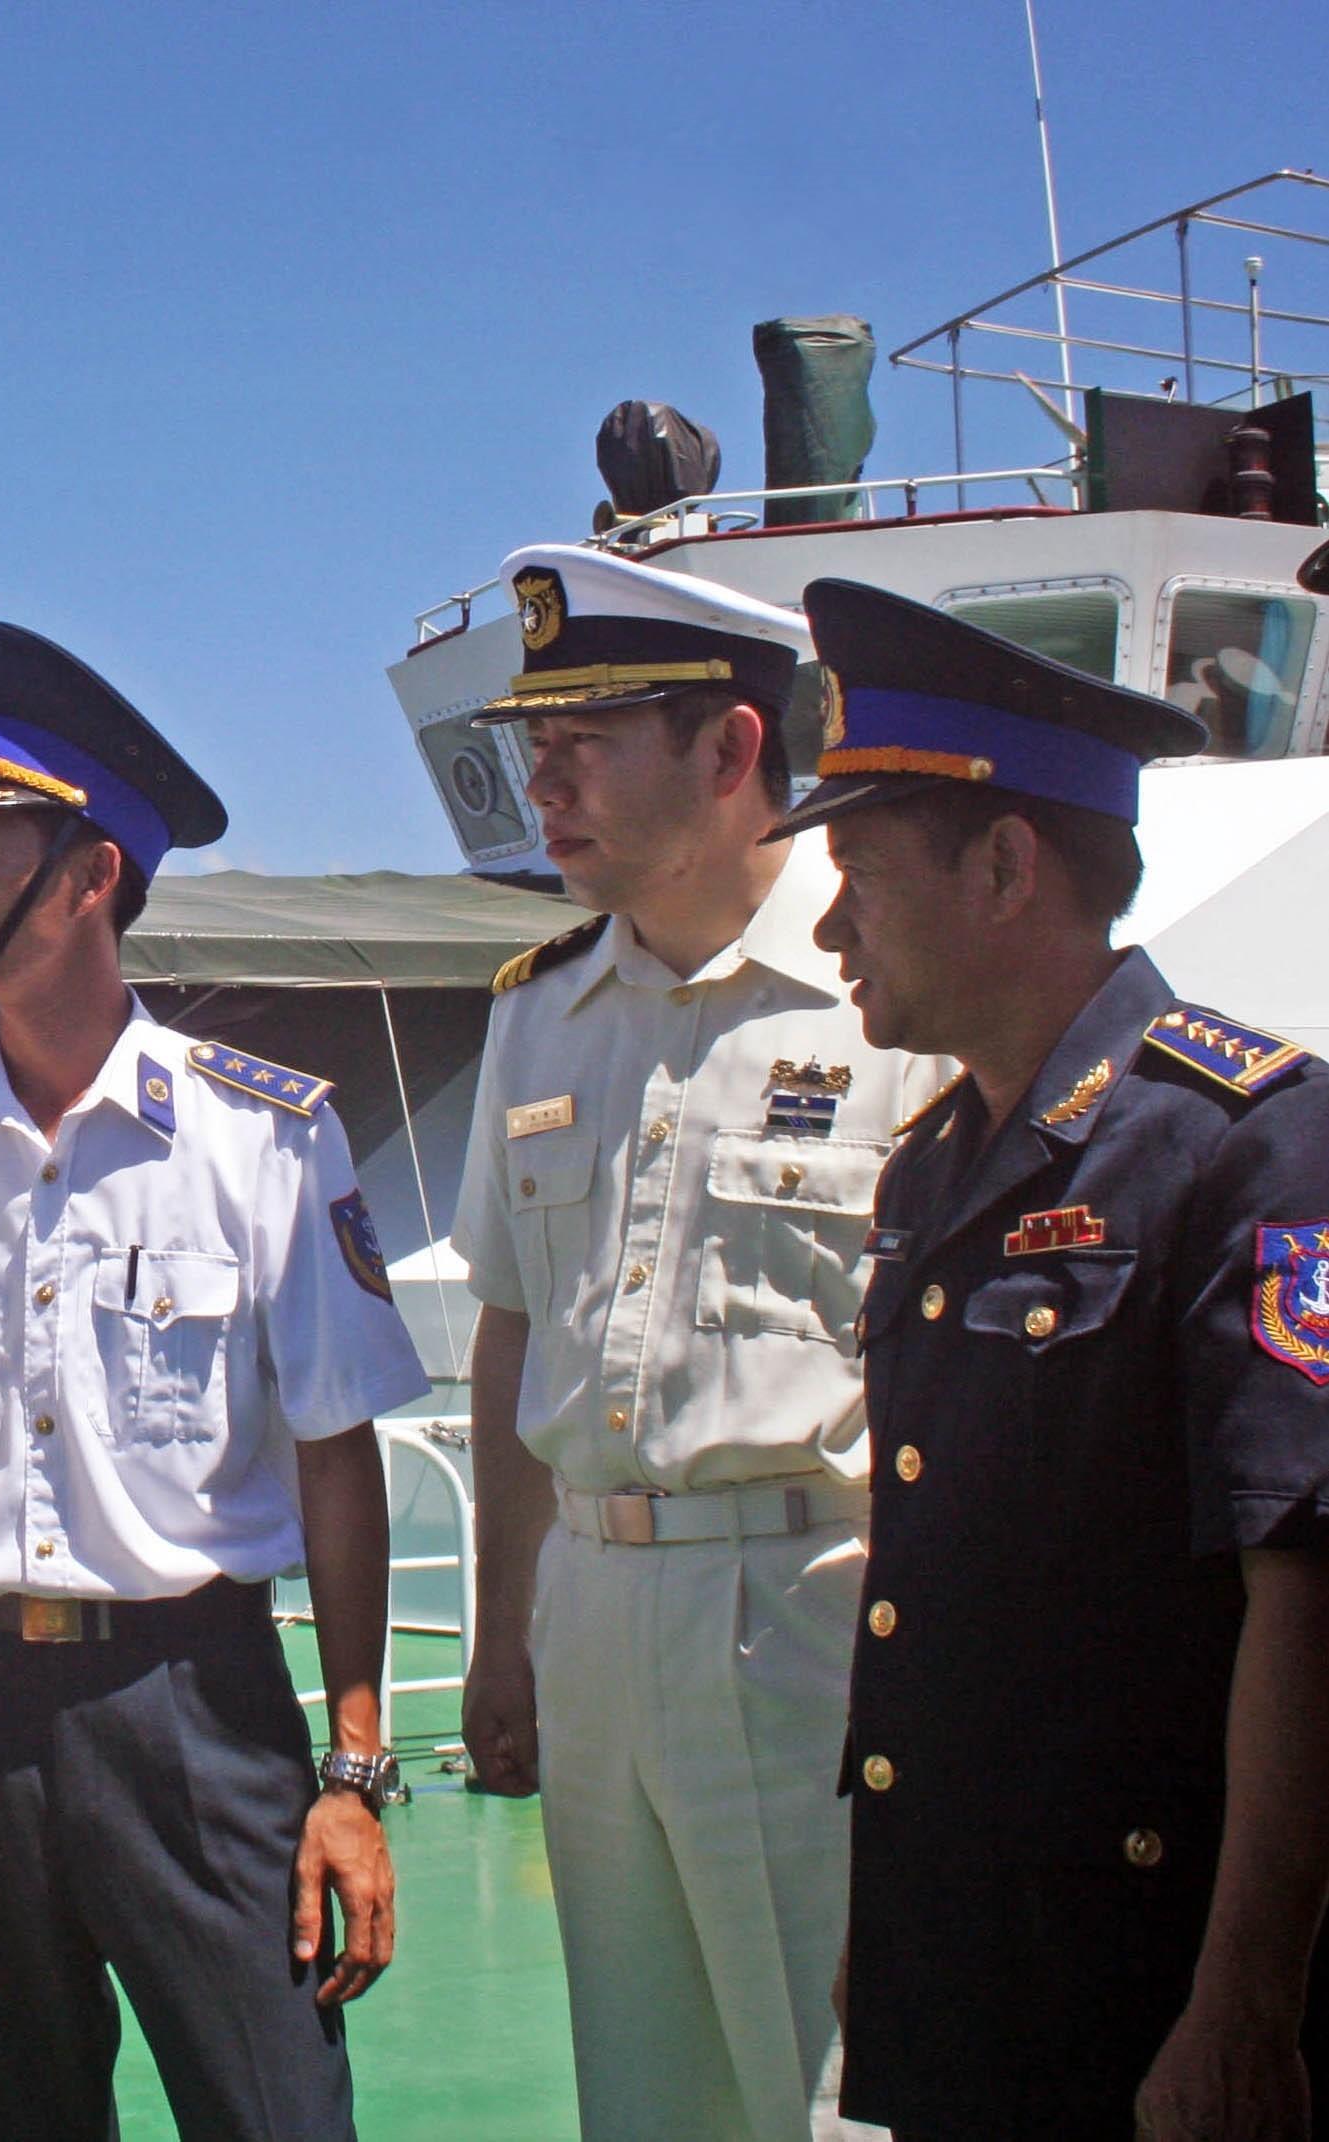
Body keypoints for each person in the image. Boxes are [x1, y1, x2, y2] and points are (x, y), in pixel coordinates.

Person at [0, 622, 427, 2142]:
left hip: (188, 1701)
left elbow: (334, 1456)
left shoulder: (262, 1137)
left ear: (89, 876)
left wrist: (352, 1767)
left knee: (273, 2108)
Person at [782, 578, 1329, 2140]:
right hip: (965, 1961)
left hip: (1146, 1985)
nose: (829, 929)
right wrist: (885, 1941)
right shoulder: (930, 1168)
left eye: (856, 874)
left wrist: (1242, 2002)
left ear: (1005, 862)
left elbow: (1302, 1588)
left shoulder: (1251, 1146)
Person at [451, 544, 947, 2142]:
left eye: (581, 738)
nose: (540, 777)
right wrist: (499, 1630)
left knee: (841, 2084)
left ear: (732, 750)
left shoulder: (885, 993)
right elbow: (509, 1331)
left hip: (814, 1607)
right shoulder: (534, 1011)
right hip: (590, 1610)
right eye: (534, 740)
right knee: (646, 2097)